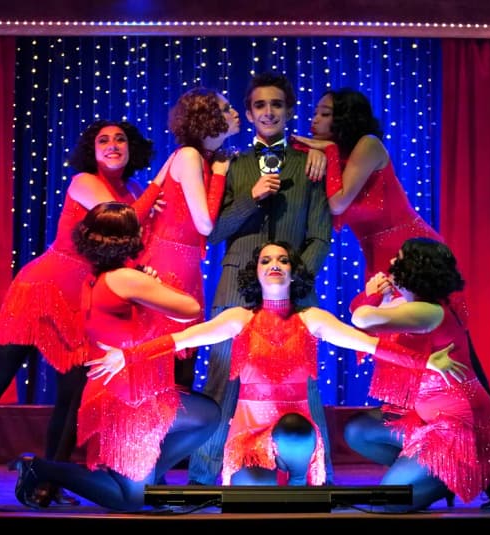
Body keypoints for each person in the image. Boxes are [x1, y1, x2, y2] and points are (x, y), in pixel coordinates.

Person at [293, 88, 490, 507]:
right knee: (409, 357)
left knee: (451, 349)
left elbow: (339, 201)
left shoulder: (367, 145)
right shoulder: (328, 157)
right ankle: (443, 459)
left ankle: (486, 456)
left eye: (324, 115)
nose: (314, 121)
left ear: (343, 120)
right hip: (380, 261)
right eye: (315, 115)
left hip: (412, 252)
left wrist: (328, 151)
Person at [93, 241, 454, 487]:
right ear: (257, 274)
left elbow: (369, 344)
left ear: (293, 272)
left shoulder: (312, 317)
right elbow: (182, 339)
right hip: (249, 436)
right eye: (266, 260)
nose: (275, 265)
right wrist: (127, 356)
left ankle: (299, 482)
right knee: (254, 497)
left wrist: (424, 362)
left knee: (294, 427)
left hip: (296, 436)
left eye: (282, 260)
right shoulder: (239, 318)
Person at [0, 120, 163, 506]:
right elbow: (123, 221)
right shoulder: (85, 182)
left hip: (84, 300)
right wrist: (161, 185)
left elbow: (128, 243)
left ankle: (49, 482)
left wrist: (143, 269)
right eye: (102, 140)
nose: (111, 145)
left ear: (131, 148)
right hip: (43, 288)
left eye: (119, 139)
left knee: (73, 394)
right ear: (92, 151)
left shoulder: (134, 192)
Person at [8, 201, 220, 512]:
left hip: (118, 390)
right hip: (129, 399)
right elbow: (190, 308)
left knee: (206, 415)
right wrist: (155, 283)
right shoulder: (127, 279)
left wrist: (146, 284)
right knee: (131, 501)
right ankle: (42, 469)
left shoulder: (93, 279)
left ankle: (144, 479)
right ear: (132, 239)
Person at [187, 72, 335, 485]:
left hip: (294, 288)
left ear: (289, 111)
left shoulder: (310, 163)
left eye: (276, 105)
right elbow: (213, 231)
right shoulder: (231, 165)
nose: (268, 112)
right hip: (236, 282)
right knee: (222, 381)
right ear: (250, 113)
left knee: (303, 383)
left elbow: (321, 233)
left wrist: (295, 279)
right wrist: (250, 199)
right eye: (259, 105)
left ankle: (319, 480)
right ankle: (203, 480)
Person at [345, 237, 490, 512]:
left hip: (455, 429)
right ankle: (424, 473)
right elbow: (364, 319)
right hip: (423, 421)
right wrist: (379, 297)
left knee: (388, 503)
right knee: (358, 431)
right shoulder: (408, 303)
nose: (392, 262)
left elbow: (362, 319)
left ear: (415, 268)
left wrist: (371, 293)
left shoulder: (428, 311)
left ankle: (446, 476)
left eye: (400, 258)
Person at [136, 87, 240, 388]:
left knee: (181, 356)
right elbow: (205, 224)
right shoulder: (190, 155)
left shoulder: (197, 157)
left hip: (184, 266)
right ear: (205, 119)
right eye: (224, 109)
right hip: (168, 265)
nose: (233, 113)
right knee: (171, 358)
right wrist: (220, 174)